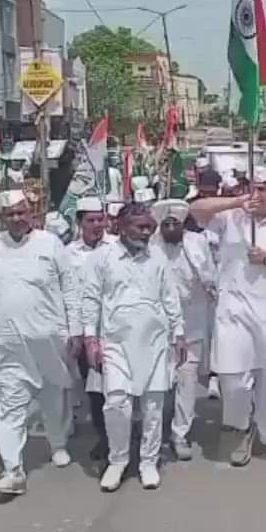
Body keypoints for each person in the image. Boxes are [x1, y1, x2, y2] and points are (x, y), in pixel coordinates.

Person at [190, 166, 266, 468]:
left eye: (261, 188)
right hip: (234, 311)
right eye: (250, 187)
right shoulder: (232, 215)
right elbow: (195, 212)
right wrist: (234, 203)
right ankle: (242, 428)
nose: (256, 194)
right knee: (232, 379)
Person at [0, 190, 82, 496]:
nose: (17, 218)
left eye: (21, 212)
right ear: (2, 217)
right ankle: (13, 470)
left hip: (49, 338)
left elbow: (71, 289)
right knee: (10, 403)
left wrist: (75, 330)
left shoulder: (50, 244)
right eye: (10, 214)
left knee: (52, 395)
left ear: (31, 212)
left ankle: (57, 443)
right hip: (7, 342)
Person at [82, 203, 187, 492]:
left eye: (149, 227)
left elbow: (170, 297)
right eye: (140, 226)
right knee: (117, 403)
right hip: (115, 342)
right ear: (121, 226)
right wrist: (91, 338)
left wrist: (178, 333)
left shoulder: (158, 257)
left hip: (155, 342)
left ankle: (148, 462)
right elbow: (90, 299)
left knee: (153, 405)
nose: (147, 232)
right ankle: (118, 460)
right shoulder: (103, 257)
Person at [151, 198, 217, 461]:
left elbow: (210, 279)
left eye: (174, 223)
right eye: (165, 224)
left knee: (187, 381)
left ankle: (180, 433)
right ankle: (152, 434)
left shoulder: (196, 244)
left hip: (192, 325)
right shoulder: (150, 245)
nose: (170, 228)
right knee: (158, 383)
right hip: (158, 327)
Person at [68, 196, 115, 462]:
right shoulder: (69, 253)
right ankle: (104, 437)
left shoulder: (117, 247)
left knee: (120, 389)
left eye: (101, 220)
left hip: (117, 329)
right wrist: (77, 334)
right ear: (79, 223)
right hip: (88, 333)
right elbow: (69, 296)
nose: (97, 225)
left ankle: (124, 434)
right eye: (91, 221)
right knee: (95, 390)